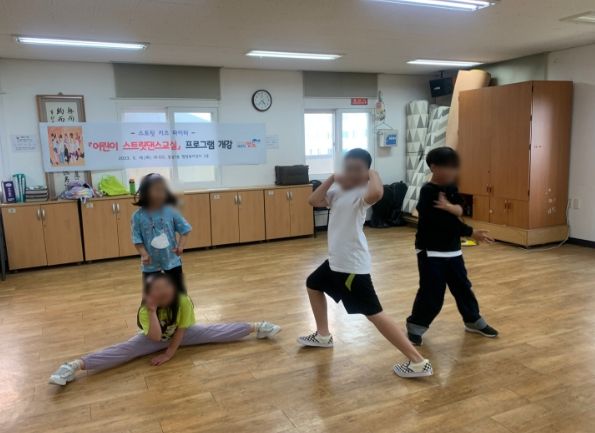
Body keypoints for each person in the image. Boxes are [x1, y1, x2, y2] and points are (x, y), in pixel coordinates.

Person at [298, 148, 433, 378]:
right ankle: (323, 335)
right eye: (347, 168)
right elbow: (313, 200)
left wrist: (371, 173)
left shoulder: (363, 193)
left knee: (374, 313)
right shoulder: (339, 190)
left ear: (367, 172)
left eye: (357, 169)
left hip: (351, 266)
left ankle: (418, 362)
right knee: (313, 284)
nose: (351, 173)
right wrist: (332, 177)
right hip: (336, 261)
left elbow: (378, 192)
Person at [49, 274, 281, 386]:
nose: (163, 298)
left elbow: (181, 329)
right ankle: (73, 366)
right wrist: (152, 312)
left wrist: (170, 353)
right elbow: (155, 337)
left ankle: (256, 327)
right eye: (158, 295)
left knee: (213, 331)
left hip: (180, 334)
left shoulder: (183, 301)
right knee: (125, 349)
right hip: (154, 337)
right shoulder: (146, 308)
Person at [406, 147, 498, 346]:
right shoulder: (428, 191)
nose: (452, 171)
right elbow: (442, 222)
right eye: (447, 167)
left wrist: (450, 207)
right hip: (431, 251)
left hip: (453, 250)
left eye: (454, 167)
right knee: (432, 292)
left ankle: (473, 320)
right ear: (433, 167)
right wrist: (470, 232)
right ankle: (415, 326)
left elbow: (460, 209)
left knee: (463, 287)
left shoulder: (452, 188)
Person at [132, 173, 191, 293]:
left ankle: (179, 305)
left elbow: (185, 229)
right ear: (145, 192)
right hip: (150, 265)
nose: (160, 193)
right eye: (156, 189)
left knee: (179, 293)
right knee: (151, 295)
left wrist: (181, 247)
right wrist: (144, 254)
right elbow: (137, 239)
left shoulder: (171, 211)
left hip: (172, 262)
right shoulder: (137, 216)